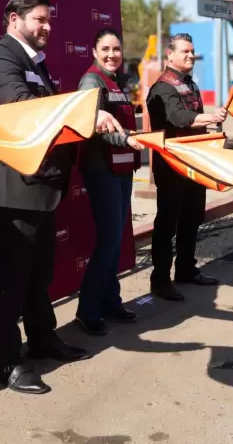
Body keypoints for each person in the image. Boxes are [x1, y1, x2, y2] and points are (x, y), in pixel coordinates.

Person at [0, 0, 124, 395]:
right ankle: (7, 361)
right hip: (11, 187)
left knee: (38, 275)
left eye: (49, 21)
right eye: (39, 20)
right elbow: (22, 108)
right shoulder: (0, 58)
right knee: (11, 279)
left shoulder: (33, 62)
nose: (47, 28)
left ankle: (42, 338)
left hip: (39, 185)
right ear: (13, 19)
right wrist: (85, 111)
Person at [146, 33, 226, 301]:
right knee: (168, 223)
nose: (190, 55)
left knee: (192, 218)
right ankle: (160, 279)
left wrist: (211, 119)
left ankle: (186, 270)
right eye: (184, 52)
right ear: (170, 55)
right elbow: (179, 118)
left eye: (192, 51)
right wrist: (209, 117)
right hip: (171, 166)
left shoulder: (188, 83)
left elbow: (195, 119)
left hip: (194, 164)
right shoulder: (163, 87)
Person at [73, 29, 144, 336]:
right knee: (109, 240)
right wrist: (127, 138)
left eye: (116, 49)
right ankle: (87, 309)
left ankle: (111, 301)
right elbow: (94, 126)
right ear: (93, 51)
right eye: (105, 49)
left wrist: (129, 140)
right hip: (101, 168)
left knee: (115, 241)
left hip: (121, 167)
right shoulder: (92, 81)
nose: (112, 54)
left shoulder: (117, 80)